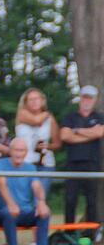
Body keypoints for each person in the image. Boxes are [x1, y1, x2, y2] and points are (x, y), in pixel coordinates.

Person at [60, 85, 104, 223]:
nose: (87, 101)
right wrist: (90, 133)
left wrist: (76, 130)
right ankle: (69, 232)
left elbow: (99, 133)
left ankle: (91, 233)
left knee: (91, 199)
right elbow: (65, 136)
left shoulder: (99, 117)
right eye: (85, 98)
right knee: (70, 198)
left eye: (90, 98)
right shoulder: (70, 117)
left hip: (92, 162)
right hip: (73, 163)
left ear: (94, 100)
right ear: (80, 99)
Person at [0, 138, 50, 245]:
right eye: (16, 150)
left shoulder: (30, 168)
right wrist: (11, 204)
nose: (19, 154)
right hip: (3, 212)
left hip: (25, 212)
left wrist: (41, 202)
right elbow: (1, 185)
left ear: (26, 152)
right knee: (9, 213)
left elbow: (37, 186)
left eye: (22, 150)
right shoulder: (0, 164)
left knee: (44, 213)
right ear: (10, 151)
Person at [15, 88, 61, 193]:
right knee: (24, 198)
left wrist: (47, 146)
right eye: (31, 99)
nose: (34, 101)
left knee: (40, 200)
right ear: (25, 103)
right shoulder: (22, 114)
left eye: (37, 98)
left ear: (42, 100)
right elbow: (37, 121)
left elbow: (57, 143)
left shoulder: (50, 119)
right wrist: (47, 114)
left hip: (45, 164)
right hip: (24, 163)